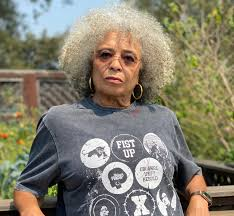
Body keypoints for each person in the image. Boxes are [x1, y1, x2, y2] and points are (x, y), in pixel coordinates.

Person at [14, 4, 211, 216]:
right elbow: (27, 190)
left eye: (129, 58)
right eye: (105, 55)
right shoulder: (59, 122)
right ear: (89, 63)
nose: (116, 64)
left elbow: (192, 175)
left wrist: (199, 199)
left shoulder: (163, 118)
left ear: (141, 73)